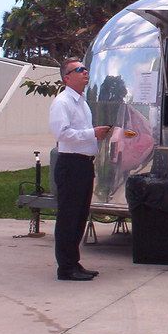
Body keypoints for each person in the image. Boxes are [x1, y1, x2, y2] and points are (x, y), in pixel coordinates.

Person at [49, 58, 111, 281]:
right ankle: (65, 267)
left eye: (85, 69)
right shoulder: (62, 102)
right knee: (68, 216)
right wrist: (92, 133)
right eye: (79, 70)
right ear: (67, 78)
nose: (85, 73)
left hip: (84, 164)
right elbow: (62, 134)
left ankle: (74, 262)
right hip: (70, 164)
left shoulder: (82, 102)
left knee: (80, 215)